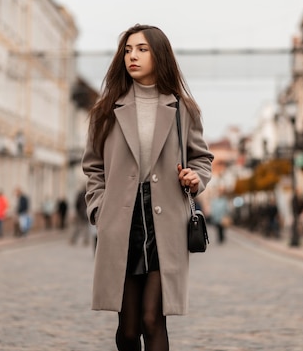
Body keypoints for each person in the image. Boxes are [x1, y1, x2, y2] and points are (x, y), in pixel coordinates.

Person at [82, 24, 214, 350]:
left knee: (153, 319)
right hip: (122, 223)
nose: (133, 56)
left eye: (142, 49)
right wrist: (100, 209)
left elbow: (202, 159)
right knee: (128, 328)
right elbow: (93, 167)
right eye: (127, 50)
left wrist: (196, 178)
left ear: (159, 55)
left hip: (164, 222)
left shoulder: (183, 108)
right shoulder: (105, 110)